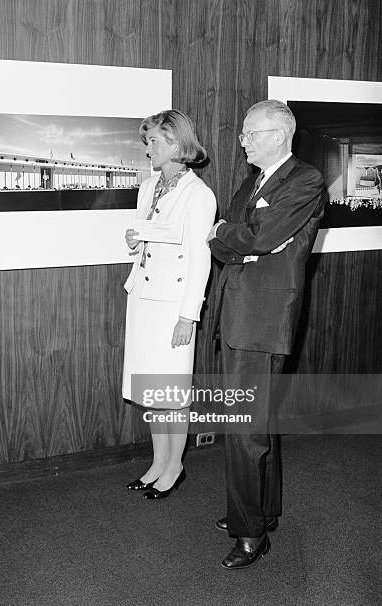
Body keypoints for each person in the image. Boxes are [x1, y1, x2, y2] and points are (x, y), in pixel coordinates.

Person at [207, 99, 325, 569]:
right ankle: (262, 512)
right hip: (241, 313)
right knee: (259, 426)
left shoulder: (305, 180)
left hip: (260, 319)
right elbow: (235, 238)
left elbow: (251, 237)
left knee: (244, 430)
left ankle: (250, 533)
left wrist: (232, 236)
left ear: (278, 134)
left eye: (249, 133)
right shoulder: (254, 181)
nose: (242, 141)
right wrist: (237, 239)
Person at [122, 110, 216, 499]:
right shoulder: (149, 187)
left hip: (173, 306)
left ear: (177, 144)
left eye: (154, 142)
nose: (148, 149)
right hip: (143, 298)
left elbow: (200, 258)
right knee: (151, 390)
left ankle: (174, 465)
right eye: (147, 142)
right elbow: (148, 239)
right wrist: (133, 241)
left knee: (171, 393)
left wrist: (187, 316)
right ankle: (158, 461)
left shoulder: (199, 194)